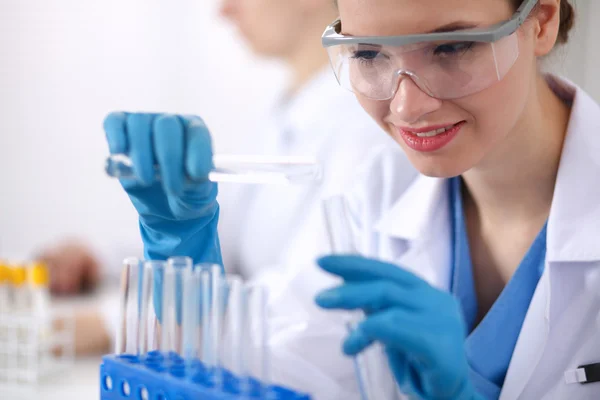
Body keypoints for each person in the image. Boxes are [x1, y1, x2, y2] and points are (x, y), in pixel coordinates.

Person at [103, 0, 600, 398]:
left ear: (541, 20)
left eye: (451, 48)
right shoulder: (377, 195)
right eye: (367, 54)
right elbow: (275, 370)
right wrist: (182, 251)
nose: (407, 105)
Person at [40, 0, 407, 364]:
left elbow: (306, 308)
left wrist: (112, 322)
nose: (224, 10)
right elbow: (216, 234)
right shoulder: (288, 110)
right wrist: (101, 260)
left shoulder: (366, 129)